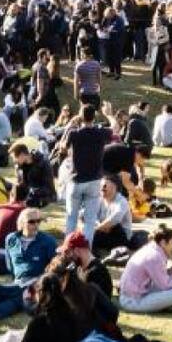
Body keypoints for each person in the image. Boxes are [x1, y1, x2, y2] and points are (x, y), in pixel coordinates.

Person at [0, 208, 57, 320]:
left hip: (37, 285)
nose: (36, 225)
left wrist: (38, 283)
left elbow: (54, 269)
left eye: (38, 221)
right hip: (18, 283)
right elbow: (10, 266)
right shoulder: (11, 239)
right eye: (32, 221)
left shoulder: (49, 241)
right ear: (22, 223)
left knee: (20, 298)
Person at [61, 104, 111, 244]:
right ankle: (86, 247)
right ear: (94, 117)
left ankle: (68, 246)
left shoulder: (74, 133)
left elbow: (62, 147)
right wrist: (108, 114)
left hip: (76, 179)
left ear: (80, 116)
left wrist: (70, 125)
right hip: (94, 179)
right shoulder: (101, 133)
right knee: (90, 219)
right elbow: (115, 129)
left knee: (71, 217)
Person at [119, 224, 172, 313]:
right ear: (163, 243)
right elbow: (166, 286)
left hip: (133, 294)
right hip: (133, 301)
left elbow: (160, 275)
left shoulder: (151, 250)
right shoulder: (154, 256)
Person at [93, 177, 134, 253]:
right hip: (104, 231)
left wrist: (97, 228)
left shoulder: (122, 201)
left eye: (104, 186)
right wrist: (97, 226)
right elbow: (88, 214)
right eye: (100, 186)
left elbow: (115, 219)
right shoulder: (100, 199)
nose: (101, 188)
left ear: (114, 187)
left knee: (115, 227)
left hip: (120, 236)